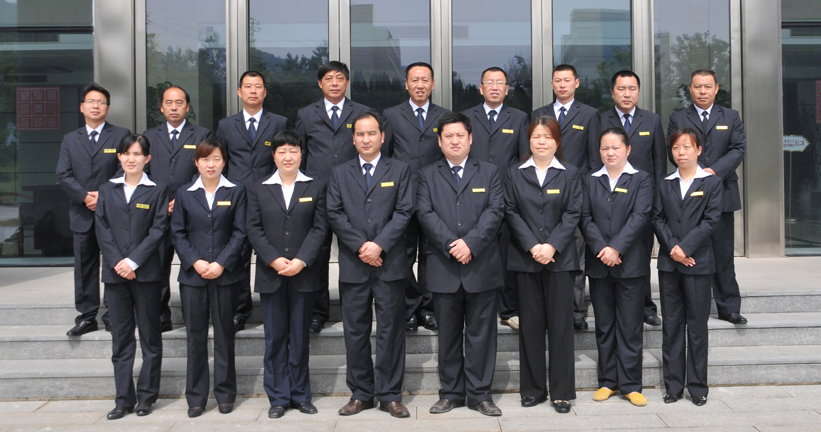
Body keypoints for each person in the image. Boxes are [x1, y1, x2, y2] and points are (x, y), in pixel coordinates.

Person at [417, 112, 504, 417]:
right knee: (448, 335)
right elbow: (424, 213)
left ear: (470, 139)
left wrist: (471, 244)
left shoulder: (490, 172)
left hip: (481, 266)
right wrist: (453, 245)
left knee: (482, 335)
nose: (454, 141)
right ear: (440, 142)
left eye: (460, 136)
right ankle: (451, 393)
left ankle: (480, 394)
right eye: (448, 136)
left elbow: (496, 211)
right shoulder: (426, 174)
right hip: (444, 267)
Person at [327, 111, 413, 418]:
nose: (366, 139)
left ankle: (390, 394)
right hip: (355, 264)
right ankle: (360, 392)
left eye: (371, 133)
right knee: (355, 331)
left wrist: (380, 245)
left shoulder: (400, 170)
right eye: (360, 134)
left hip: (389, 264)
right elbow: (334, 213)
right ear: (353, 139)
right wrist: (362, 246)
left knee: (391, 331)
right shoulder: (340, 172)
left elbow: (404, 212)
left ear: (382, 136)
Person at [246, 129, 328, 419]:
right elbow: (253, 228)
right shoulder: (258, 188)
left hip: (303, 275)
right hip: (272, 275)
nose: (288, 156)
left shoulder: (315, 186)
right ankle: (278, 397)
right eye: (282, 151)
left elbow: (320, 228)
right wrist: (273, 259)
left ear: (301, 154)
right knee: (275, 338)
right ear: (274, 156)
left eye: (293, 150)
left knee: (300, 337)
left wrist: (301, 260)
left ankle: (301, 395)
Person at [503, 116, 581, 413]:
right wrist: (534, 246)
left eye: (547, 136)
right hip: (527, 259)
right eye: (536, 136)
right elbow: (511, 212)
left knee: (561, 328)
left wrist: (552, 245)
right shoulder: (515, 173)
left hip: (560, 260)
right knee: (531, 327)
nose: (541, 141)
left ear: (557, 141)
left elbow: (573, 213)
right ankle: (533, 389)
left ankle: (561, 392)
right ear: (529, 140)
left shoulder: (570, 173)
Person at [170, 138, 246, 417]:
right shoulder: (185, 193)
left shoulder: (236, 190)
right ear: (196, 162)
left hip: (225, 276)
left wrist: (222, 263)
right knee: (195, 337)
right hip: (193, 276)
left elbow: (240, 232)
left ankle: (225, 394)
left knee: (225, 335)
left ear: (224, 161)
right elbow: (178, 232)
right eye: (205, 159)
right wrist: (196, 261)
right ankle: (196, 397)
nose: (210, 164)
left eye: (216, 159)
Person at [95, 134, 168, 419]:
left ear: (147, 159)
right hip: (115, 275)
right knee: (121, 338)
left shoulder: (157, 190)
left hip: (146, 274)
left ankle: (147, 397)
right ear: (119, 157)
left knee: (150, 337)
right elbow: (102, 228)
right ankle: (123, 399)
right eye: (126, 153)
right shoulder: (107, 189)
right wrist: (118, 262)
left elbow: (158, 230)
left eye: (137, 154)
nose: (131, 159)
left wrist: (134, 261)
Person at [295, 61, 371, 333]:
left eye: (340, 78)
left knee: (355, 251)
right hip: (317, 195)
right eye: (329, 78)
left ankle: (357, 310)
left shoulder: (362, 112)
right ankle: (318, 312)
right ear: (320, 83)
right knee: (317, 255)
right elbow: (300, 154)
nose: (335, 83)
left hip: (354, 194)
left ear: (347, 82)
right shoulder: (306, 114)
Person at [667, 69, 747, 325]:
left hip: (723, 191)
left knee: (723, 253)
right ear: (690, 89)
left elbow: (738, 149)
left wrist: (712, 172)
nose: (702, 91)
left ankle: (729, 307)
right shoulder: (678, 117)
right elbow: (674, 151)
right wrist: (696, 173)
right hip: (688, 197)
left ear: (716, 88)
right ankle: (692, 306)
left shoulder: (731, 116)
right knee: (692, 248)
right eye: (697, 86)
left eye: (707, 86)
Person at [580, 128, 653, 407]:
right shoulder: (590, 180)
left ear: (628, 149)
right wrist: (603, 248)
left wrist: (616, 248)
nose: (610, 153)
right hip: (600, 264)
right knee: (605, 325)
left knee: (630, 326)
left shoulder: (641, 179)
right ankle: (608, 381)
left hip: (630, 265)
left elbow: (640, 216)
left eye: (615, 148)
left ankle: (631, 385)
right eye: (605, 148)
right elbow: (585, 217)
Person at [652, 127, 723, 407]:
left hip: (698, 264)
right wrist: (673, 248)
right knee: (671, 326)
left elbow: (711, 220)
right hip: (670, 265)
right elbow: (657, 218)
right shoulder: (664, 183)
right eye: (676, 148)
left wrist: (686, 248)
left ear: (699, 150)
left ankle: (697, 387)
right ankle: (673, 387)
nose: (681, 152)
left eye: (687, 147)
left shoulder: (711, 183)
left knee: (696, 327)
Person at [215, 70, 289, 333]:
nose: (253, 91)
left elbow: (285, 159)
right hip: (237, 198)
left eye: (258, 86)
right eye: (248, 86)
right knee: (239, 255)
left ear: (265, 92)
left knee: (273, 251)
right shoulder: (226, 125)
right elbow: (221, 162)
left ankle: (277, 308)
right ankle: (241, 310)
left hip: (271, 198)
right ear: (239, 92)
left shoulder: (279, 122)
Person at [56, 82, 131, 336]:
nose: (95, 106)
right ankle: (87, 316)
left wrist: (103, 196)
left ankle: (113, 314)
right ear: (82, 107)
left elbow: (125, 169)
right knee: (84, 266)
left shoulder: (120, 135)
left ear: (107, 108)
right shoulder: (70, 139)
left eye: (101, 102)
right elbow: (63, 174)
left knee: (113, 263)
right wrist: (85, 197)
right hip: (82, 212)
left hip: (112, 212)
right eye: (91, 101)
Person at [531, 64, 602, 331]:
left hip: (576, 194)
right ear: (552, 84)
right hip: (542, 194)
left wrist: (588, 195)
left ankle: (576, 310)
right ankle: (545, 308)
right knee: (544, 247)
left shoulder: (590, 114)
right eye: (558, 81)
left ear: (577, 83)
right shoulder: (539, 114)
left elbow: (594, 160)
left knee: (576, 253)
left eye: (567, 80)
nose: (562, 85)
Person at [382, 61, 449, 332]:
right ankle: (409, 308)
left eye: (425, 80)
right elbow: (385, 157)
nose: (420, 85)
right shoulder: (391, 114)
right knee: (404, 254)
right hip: (402, 196)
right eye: (414, 80)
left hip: (436, 195)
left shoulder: (444, 115)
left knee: (432, 254)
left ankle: (429, 309)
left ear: (432, 84)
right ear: (406, 84)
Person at [462, 66, 529, 332]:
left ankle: (508, 309)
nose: (494, 87)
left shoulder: (520, 118)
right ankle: (476, 307)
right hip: (472, 197)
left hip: (507, 197)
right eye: (489, 82)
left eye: (499, 82)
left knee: (505, 254)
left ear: (507, 89)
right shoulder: (467, 117)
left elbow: (523, 160)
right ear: (481, 88)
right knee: (475, 250)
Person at [144, 85, 213, 332]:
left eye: (179, 103)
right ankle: (161, 316)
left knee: (193, 264)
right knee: (158, 266)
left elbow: (206, 170)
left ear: (188, 107)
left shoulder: (202, 134)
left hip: (191, 212)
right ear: (162, 107)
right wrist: (160, 202)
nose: (174, 107)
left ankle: (196, 316)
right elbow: (143, 173)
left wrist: (181, 199)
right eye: (169, 103)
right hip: (158, 214)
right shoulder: (149, 136)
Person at [599, 70, 665, 326]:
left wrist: (657, 205)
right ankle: (612, 304)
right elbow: (595, 160)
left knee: (640, 255)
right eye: (621, 88)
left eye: (632, 89)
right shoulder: (600, 119)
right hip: (608, 201)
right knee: (608, 250)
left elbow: (659, 165)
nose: (627, 94)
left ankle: (646, 307)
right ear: (612, 92)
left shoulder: (652, 120)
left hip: (642, 203)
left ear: (638, 91)